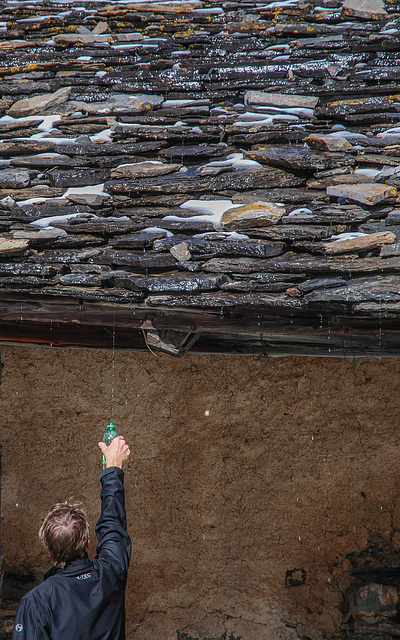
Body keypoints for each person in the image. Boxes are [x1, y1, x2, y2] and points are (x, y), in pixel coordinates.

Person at [12, 435, 131, 640]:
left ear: (48, 548)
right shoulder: (111, 573)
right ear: (87, 541)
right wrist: (113, 467)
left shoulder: (37, 602)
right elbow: (113, 523)